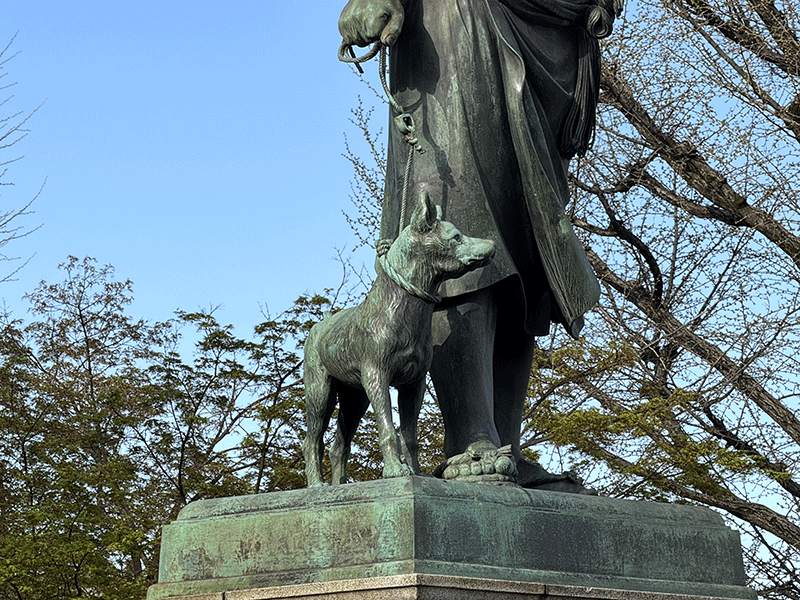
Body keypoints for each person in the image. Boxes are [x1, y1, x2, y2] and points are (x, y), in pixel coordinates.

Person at [339, 0, 619, 489]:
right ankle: (471, 437)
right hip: (455, 25)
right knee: (459, 215)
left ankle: (504, 441)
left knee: (525, 244)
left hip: (547, 27)